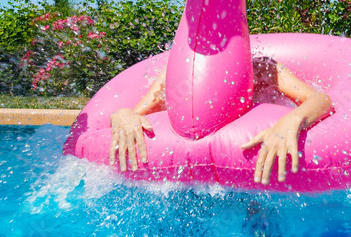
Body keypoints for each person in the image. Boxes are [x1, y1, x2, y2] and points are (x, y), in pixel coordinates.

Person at [108, 56, 333, 184]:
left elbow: (321, 100)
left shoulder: (263, 68)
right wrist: (121, 114)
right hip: (199, 169)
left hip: (250, 166)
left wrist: (293, 119)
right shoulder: (178, 73)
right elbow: (135, 113)